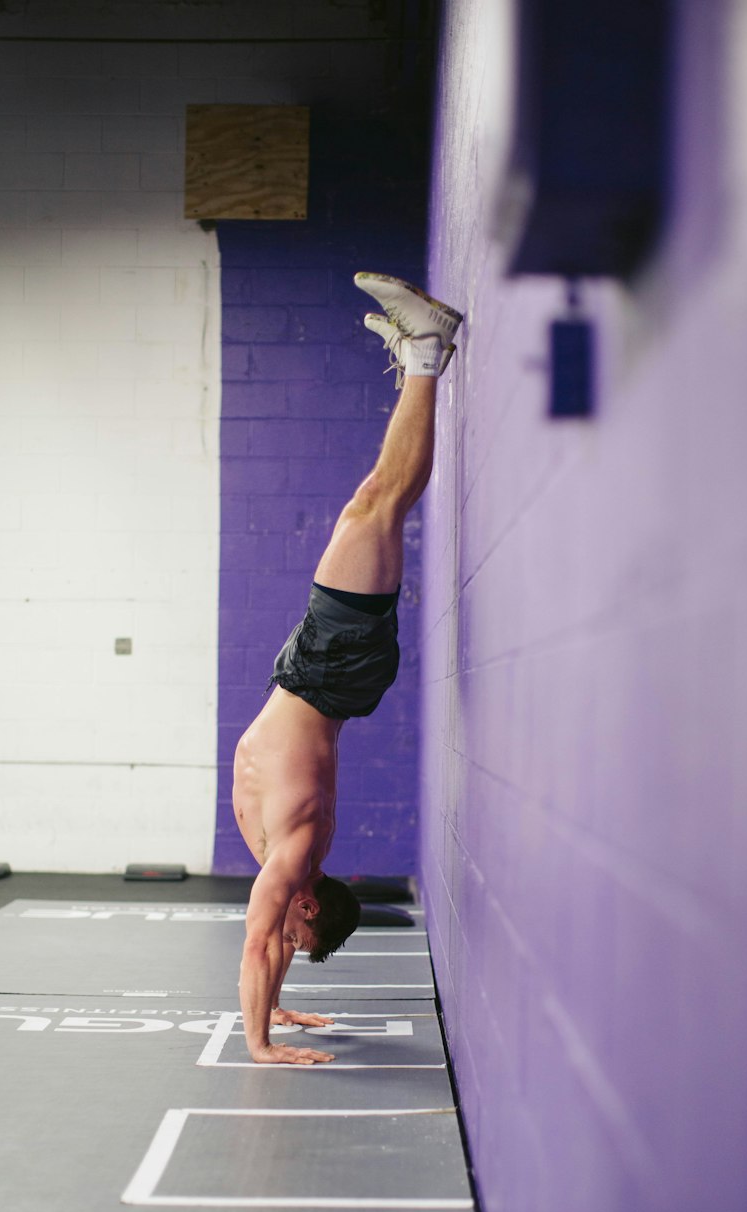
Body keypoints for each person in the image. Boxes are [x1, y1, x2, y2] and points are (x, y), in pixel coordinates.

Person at [231, 272, 464, 1065]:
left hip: (327, 673)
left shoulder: (293, 862)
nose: (286, 936)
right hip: (330, 672)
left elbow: (277, 937)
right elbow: (268, 936)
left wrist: (272, 1020)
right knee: (374, 506)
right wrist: (262, 1037)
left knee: (376, 506)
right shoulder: (295, 855)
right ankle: (427, 352)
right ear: (306, 903)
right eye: (300, 924)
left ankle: (425, 353)